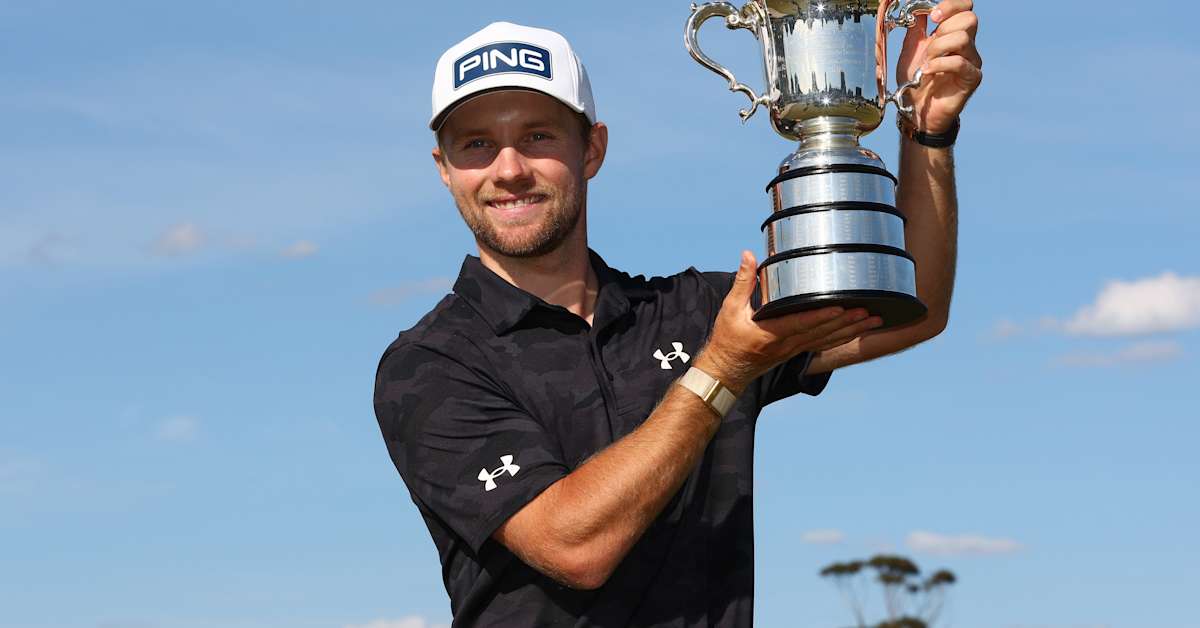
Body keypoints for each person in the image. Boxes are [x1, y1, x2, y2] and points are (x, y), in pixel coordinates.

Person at [374, 6, 982, 626]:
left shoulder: (698, 313)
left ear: (592, 149)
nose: (508, 170)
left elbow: (911, 309)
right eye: (477, 145)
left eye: (538, 137)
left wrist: (925, 132)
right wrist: (721, 370)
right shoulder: (429, 364)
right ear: (444, 169)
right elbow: (573, 546)